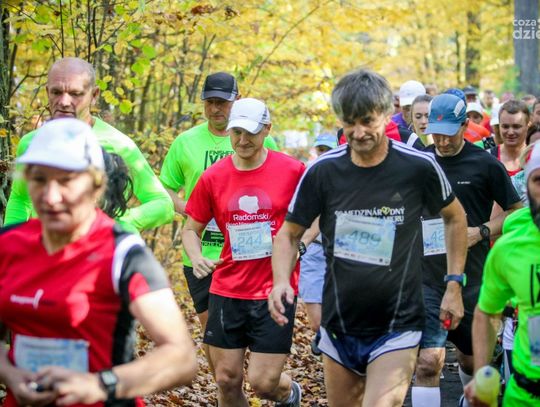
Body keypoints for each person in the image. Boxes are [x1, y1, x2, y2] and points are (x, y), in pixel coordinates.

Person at [269, 69, 468, 407]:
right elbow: (289, 233)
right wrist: (279, 281)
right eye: (350, 122)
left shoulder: (417, 166)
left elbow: (455, 217)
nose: (358, 132)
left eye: (367, 121)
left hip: (399, 323)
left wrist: (453, 283)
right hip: (340, 324)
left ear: (387, 114)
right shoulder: (323, 170)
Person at [0, 118, 197, 407]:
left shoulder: (122, 254)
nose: (51, 197)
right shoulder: (8, 245)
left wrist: (99, 385)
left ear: (96, 185)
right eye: (39, 179)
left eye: (66, 181)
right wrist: (10, 374)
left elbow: (181, 358)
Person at [182, 98, 304, 406]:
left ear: (267, 129)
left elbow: (319, 214)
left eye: (250, 132)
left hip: (275, 288)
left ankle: (289, 392)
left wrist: (301, 244)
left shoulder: (292, 170)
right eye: (237, 132)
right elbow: (190, 229)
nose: (243, 140)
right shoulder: (214, 176)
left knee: (263, 383)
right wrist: (196, 257)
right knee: (226, 380)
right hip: (227, 288)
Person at [411, 94, 522, 407]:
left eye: (449, 133)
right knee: (428, 362)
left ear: (464, 126)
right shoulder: (419, 162)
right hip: (427, 277)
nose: (443, 141)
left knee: (472, 362)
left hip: (473, 277)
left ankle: (469, 399)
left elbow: (516, 211)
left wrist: (482, 230)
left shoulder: (485, 164)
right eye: (436, 134)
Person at [160, 73, 279, 333]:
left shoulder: (260, 139)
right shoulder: (185, 141)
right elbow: (164, 187)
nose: (215, 109)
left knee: (252, 329)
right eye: (210, 102)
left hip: (251, 249)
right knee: (212, 329)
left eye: (222, 102)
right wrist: (189, 209)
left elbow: (278, 184)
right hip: (202, 252)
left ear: (237, 100)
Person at [4, 57, 173, 233]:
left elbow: (163, 204)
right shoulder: (31, 143)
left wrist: (119, 222)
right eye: (56, 92)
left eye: (75, 94)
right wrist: (9, 241)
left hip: (101, 247)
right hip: (44, 247)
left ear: (94, 95)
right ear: (47, 92)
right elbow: (20, 198)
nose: (64, 101)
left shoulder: (119, 145)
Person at [464, 142, 540, 407]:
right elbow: (487, 312)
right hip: (525, 396)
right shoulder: (510, 247)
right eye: (539, 180)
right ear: (527, 186)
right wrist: (481, 374)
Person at [490, 100, 530, 177]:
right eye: (505, 127)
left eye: (516, 127)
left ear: (527, 126)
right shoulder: (487, 158)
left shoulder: (536, 158)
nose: (510, 132)